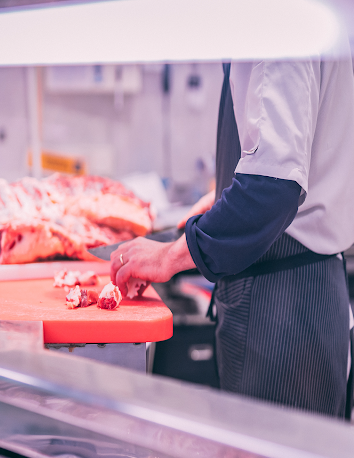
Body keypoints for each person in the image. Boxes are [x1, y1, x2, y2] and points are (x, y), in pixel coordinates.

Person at [111, 46, 354, 419]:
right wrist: (226, 194)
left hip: (279, 306)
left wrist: (169, 256)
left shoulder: (273, 17)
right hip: (312, 288)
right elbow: (306, 154)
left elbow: (271, 189)